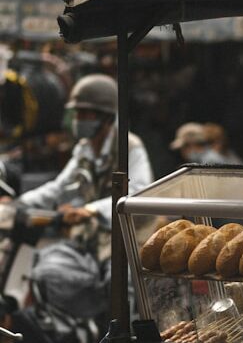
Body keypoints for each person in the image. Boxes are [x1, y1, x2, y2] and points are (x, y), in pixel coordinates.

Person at [19, 74, 153, 229]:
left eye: (84, 113)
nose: (77, 119)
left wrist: (93, 209)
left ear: (106, 117)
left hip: (129, 238)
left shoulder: (129, 146)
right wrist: (20, 203)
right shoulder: (84, 149)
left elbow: (140, 193)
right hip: (97, 237)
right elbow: (59, 187)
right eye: (76, 112)